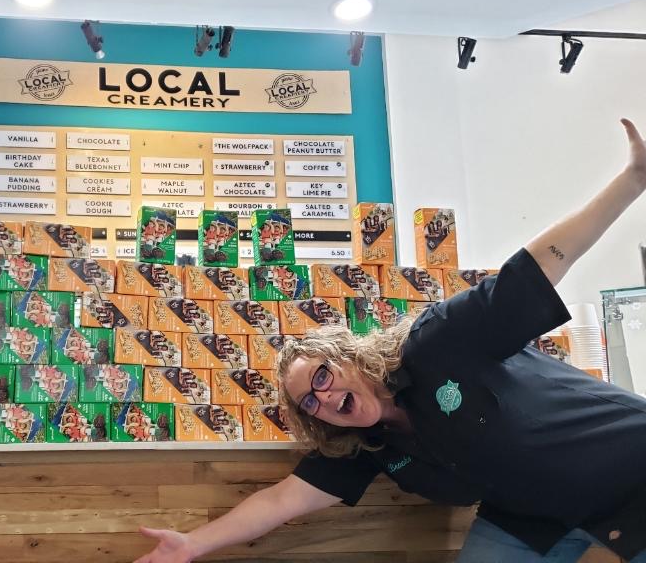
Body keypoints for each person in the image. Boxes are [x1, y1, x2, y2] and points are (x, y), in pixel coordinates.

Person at [135, 119, 646, 563]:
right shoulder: (370, 446)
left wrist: (631, 182)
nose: (326, 399)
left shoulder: (439, 341)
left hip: (629, 468)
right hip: (533, 515)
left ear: (347, 357)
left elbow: (536, 269)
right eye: (312, 404)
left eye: (322, 377)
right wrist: (191, 545)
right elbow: (280, 501)